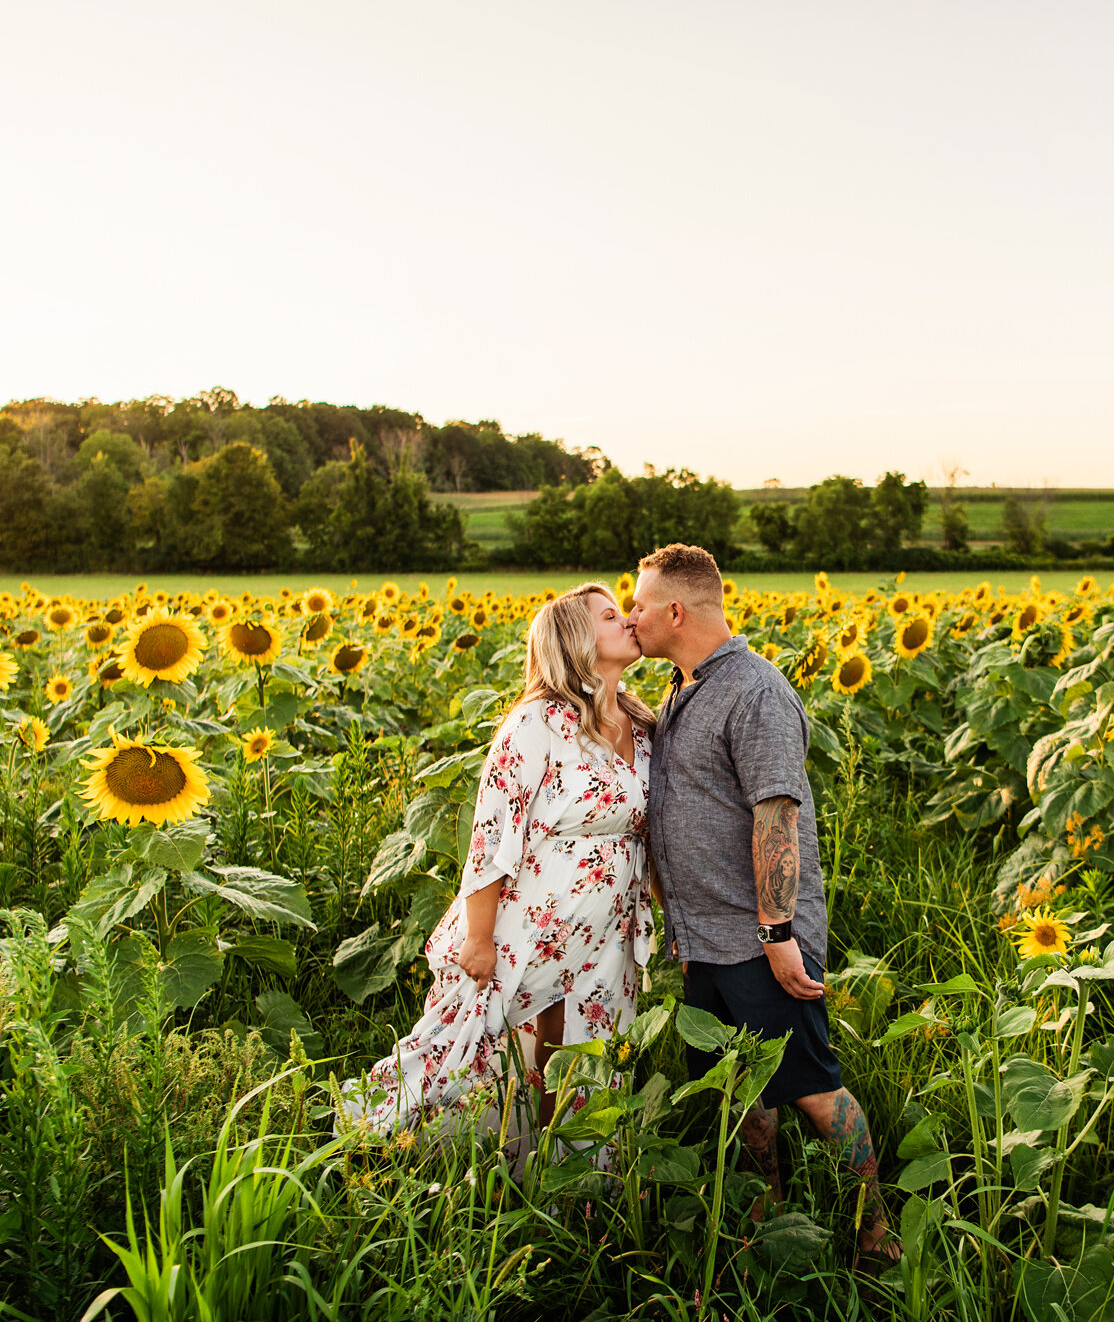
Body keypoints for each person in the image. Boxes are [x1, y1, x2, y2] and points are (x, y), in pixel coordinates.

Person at [625, 542, 901, 1269]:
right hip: (705, 937)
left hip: (757, 936)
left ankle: (875, 1233)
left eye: (640, 605)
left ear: (676, 611)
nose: (632, 617)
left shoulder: (756, 690)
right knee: (740, 1094)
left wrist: (778, 931)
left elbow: (776, 812)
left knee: (812, 1087)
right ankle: (765, 1222)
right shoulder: (686, 687)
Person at [339, 583, 656, 1149]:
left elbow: (651, 830)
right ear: (577, 639)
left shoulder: (642, 722)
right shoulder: (535, 724)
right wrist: (479, 937)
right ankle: (382, 1146)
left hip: (610, 926)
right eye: (612, 615)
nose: (629, 620)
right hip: (532, 921)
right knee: (482, 1043)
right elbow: (492, 835)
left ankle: (569, 1182)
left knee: (587, 1046)